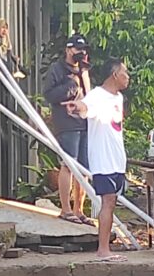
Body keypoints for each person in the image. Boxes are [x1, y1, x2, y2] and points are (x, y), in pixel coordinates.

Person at [67, 58, 131, 263]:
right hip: (103, 159)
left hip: (117, 157)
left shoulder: (118, 98)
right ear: (114, 75)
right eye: (125, 73)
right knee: (108, 201)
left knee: (111, 202)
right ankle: (103, 249)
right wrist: (76, 106)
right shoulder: (97, 96)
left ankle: (105, 248)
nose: (127, 77)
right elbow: (85, 107)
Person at [42, 33, 94, 226]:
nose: (81, 53)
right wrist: (71, 85)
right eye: (77, 50)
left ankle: (79, 209)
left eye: (83, 50)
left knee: (84, 169)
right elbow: (49, 94)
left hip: (84, 122)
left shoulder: (84, 70)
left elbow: (89, 95)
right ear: (68, 50)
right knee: (68, 165)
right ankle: (65, 208)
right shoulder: (57, 69)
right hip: (66, 123)